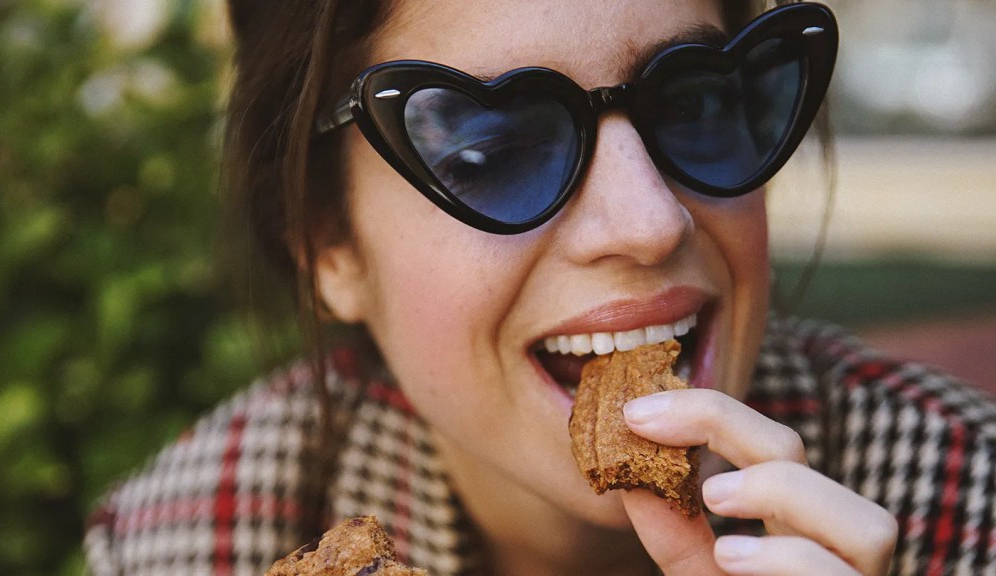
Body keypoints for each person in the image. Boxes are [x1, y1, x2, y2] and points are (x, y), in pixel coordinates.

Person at [83, 1, 996, 575]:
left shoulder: (965, 509)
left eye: (696, 102)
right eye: (491, 146)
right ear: (327, 245)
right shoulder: (192, 544)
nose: (649, 222)